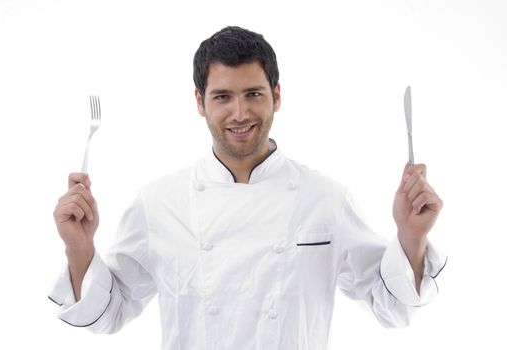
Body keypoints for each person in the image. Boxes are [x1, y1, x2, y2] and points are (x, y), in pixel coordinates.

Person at [50, 26, 446, 349]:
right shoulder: (159, 202)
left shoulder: (325, 198)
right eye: (222, 97)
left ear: (276, 96)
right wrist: (79, 247)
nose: (240, 114)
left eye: (253, 94)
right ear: (200, 103)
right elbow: (108, 314)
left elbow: (392, 308)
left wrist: (411, 237)